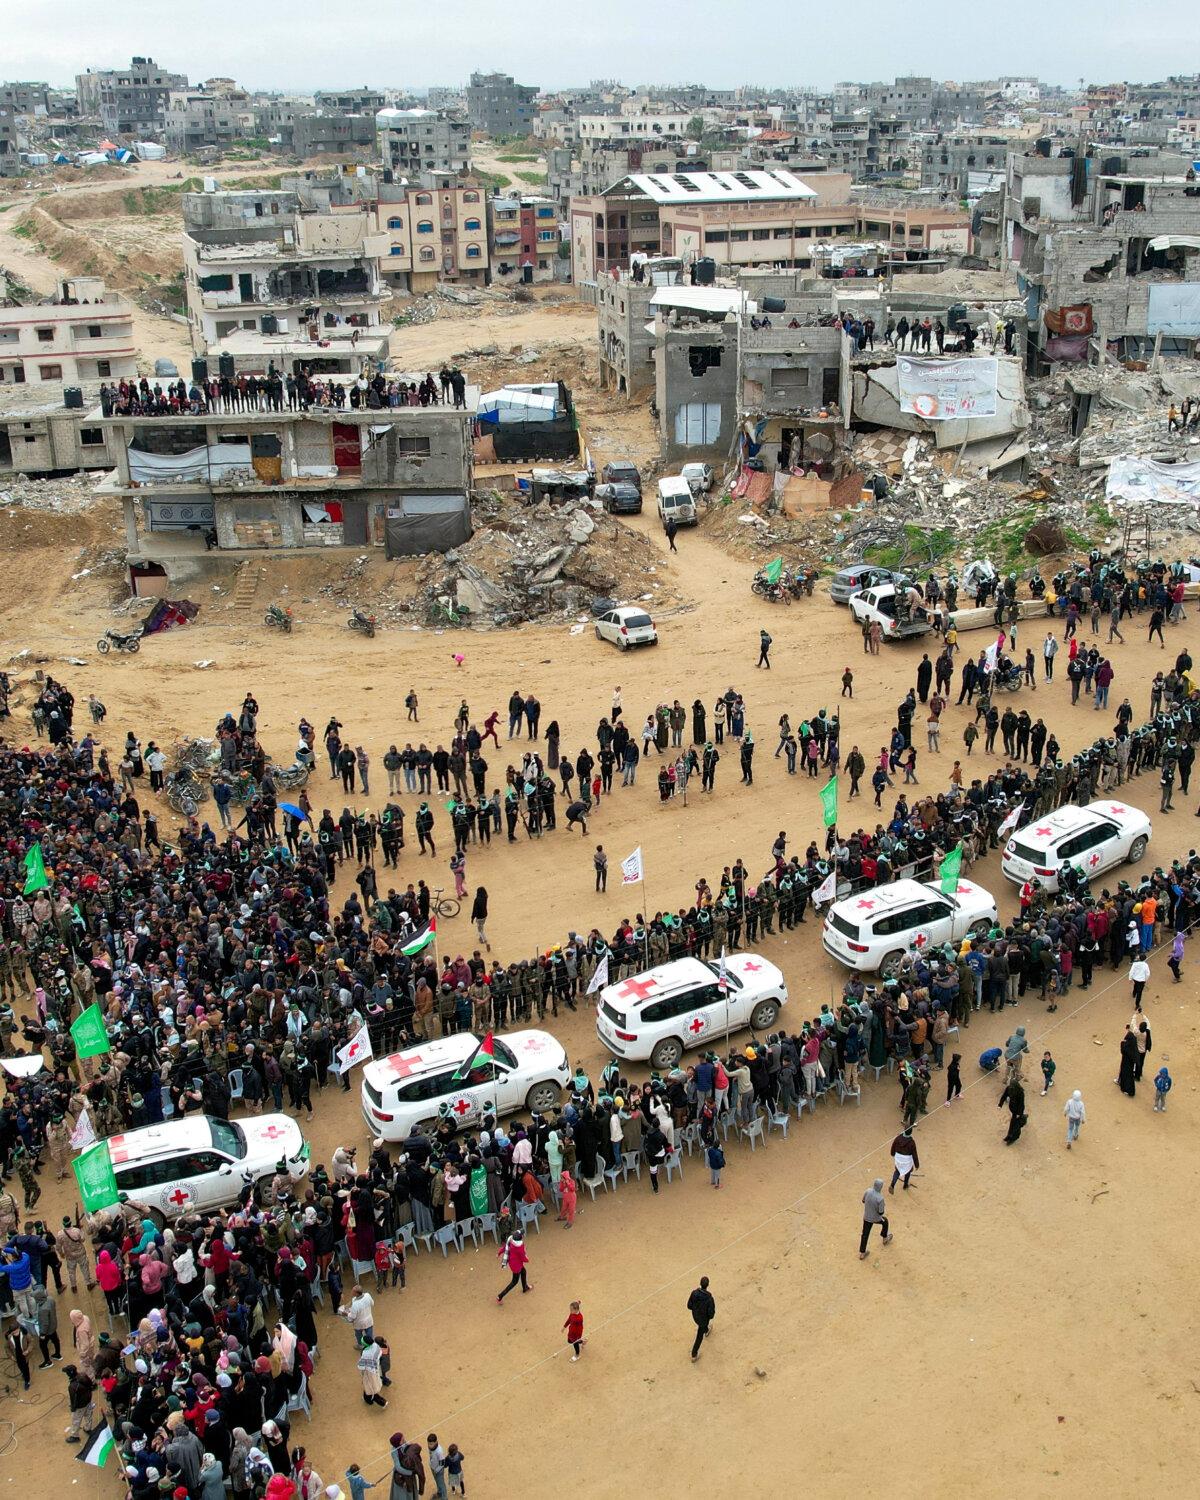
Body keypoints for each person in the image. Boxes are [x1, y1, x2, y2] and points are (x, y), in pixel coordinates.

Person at [859, 1179, 892, 1259]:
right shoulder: (880, 1198)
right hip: (875, 1218)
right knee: (885, 1222)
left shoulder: (868, 1191)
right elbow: (881, 1212)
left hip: (866, 1217)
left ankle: (862, 1253)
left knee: (865, 1235)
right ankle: (884, 1238)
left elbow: (863, 1201)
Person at [496, 1231, 531, 1302]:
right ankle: (500, 1296)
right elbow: (523, 1258)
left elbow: (505, 1248)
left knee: (523, 1272)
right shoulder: (520, 1247)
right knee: (514, 1282)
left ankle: (525, 1287)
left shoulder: (511, 1240)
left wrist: (499, 1253)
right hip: (517, 1266)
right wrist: (527, 1259)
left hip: (513, 1263)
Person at [687, 1277, 715, 1360]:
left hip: (695, 1316)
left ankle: (706, 1330)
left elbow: (689, 1305)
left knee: (703, 1327)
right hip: (703, 1320)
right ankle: (694, 1354)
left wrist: (696, 1310)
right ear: (708, 1285)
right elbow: (711, 1314)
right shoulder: (709, 1298)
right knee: (699, 1336)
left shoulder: (694, 1293)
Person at [998, 1075, 1027, 1144]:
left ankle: (1013, 1137)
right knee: (1013, 1123)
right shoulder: (1009, 1089)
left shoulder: (1020, 1093)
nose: (1011, 1088)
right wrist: (1000, 1104)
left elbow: (1021, 1104)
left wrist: (1019, 1114)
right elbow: (1004, 1096)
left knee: (1016, 1125)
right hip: (1013, 1108)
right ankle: (1009, 1135)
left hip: (1018, 1111)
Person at [888, 1128, 919, 1192]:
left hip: (899, 1158)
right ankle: (905, 1185)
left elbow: (893, 1146)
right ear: (911, 1133)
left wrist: (892, 1153)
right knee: (908, 1171)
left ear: (904, 1130)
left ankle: (892, 1184)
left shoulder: (898, 1138)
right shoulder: (912, 1142)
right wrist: (917, 1165)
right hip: (907, 1160)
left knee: (897, 1170)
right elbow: (914, 1154)